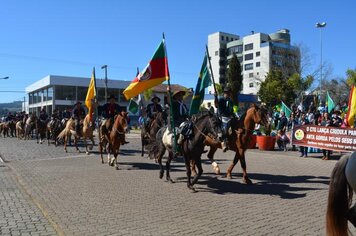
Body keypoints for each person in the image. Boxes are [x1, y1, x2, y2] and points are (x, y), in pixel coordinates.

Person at [215, 87, 235, 152]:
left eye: (229, 93)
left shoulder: (230, 100)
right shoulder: (220, 99)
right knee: (225, 129)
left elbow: (232, 110)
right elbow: (216, 105)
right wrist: (215, 97)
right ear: (224, 93)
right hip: (222, 117)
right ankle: (223, 143)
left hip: (230, 117)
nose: (228, 94)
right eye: (226, 93)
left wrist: (234, 115)